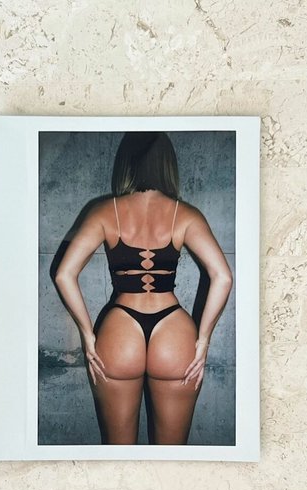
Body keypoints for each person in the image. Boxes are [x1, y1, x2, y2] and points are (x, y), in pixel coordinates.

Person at [55, 132, 233, 445]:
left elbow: (64, 275)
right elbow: (223, 276)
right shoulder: (185, 214)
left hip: (120, 330)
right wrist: (204, 339)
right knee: (171, 456)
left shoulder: (104, 211)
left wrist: (87, 335)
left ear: (126, 163)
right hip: (174, 332)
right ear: (167, 165)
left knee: (119, 454)